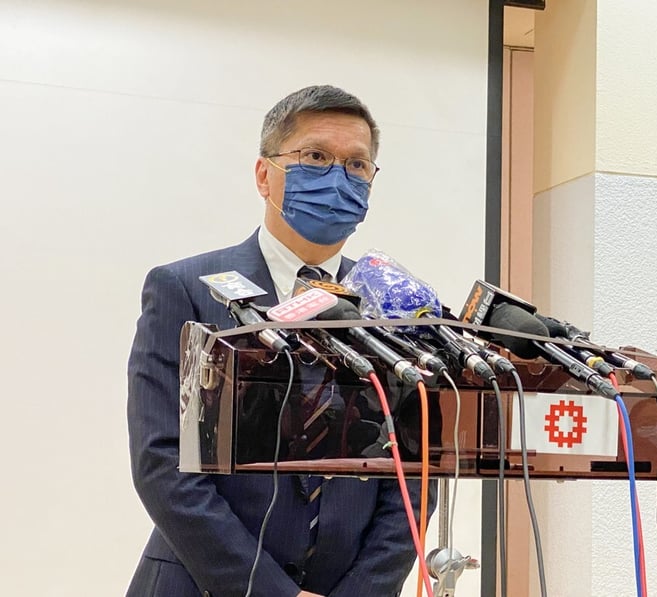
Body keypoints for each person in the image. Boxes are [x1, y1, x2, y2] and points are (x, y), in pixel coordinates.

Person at [127, 85, 434, 597]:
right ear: (264, 174)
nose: (339, 177)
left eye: (357, 165)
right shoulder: (186, 289)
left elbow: (416, 476)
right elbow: (162, 462)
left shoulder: (396, 306)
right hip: (205, 584)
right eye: (316, 156)